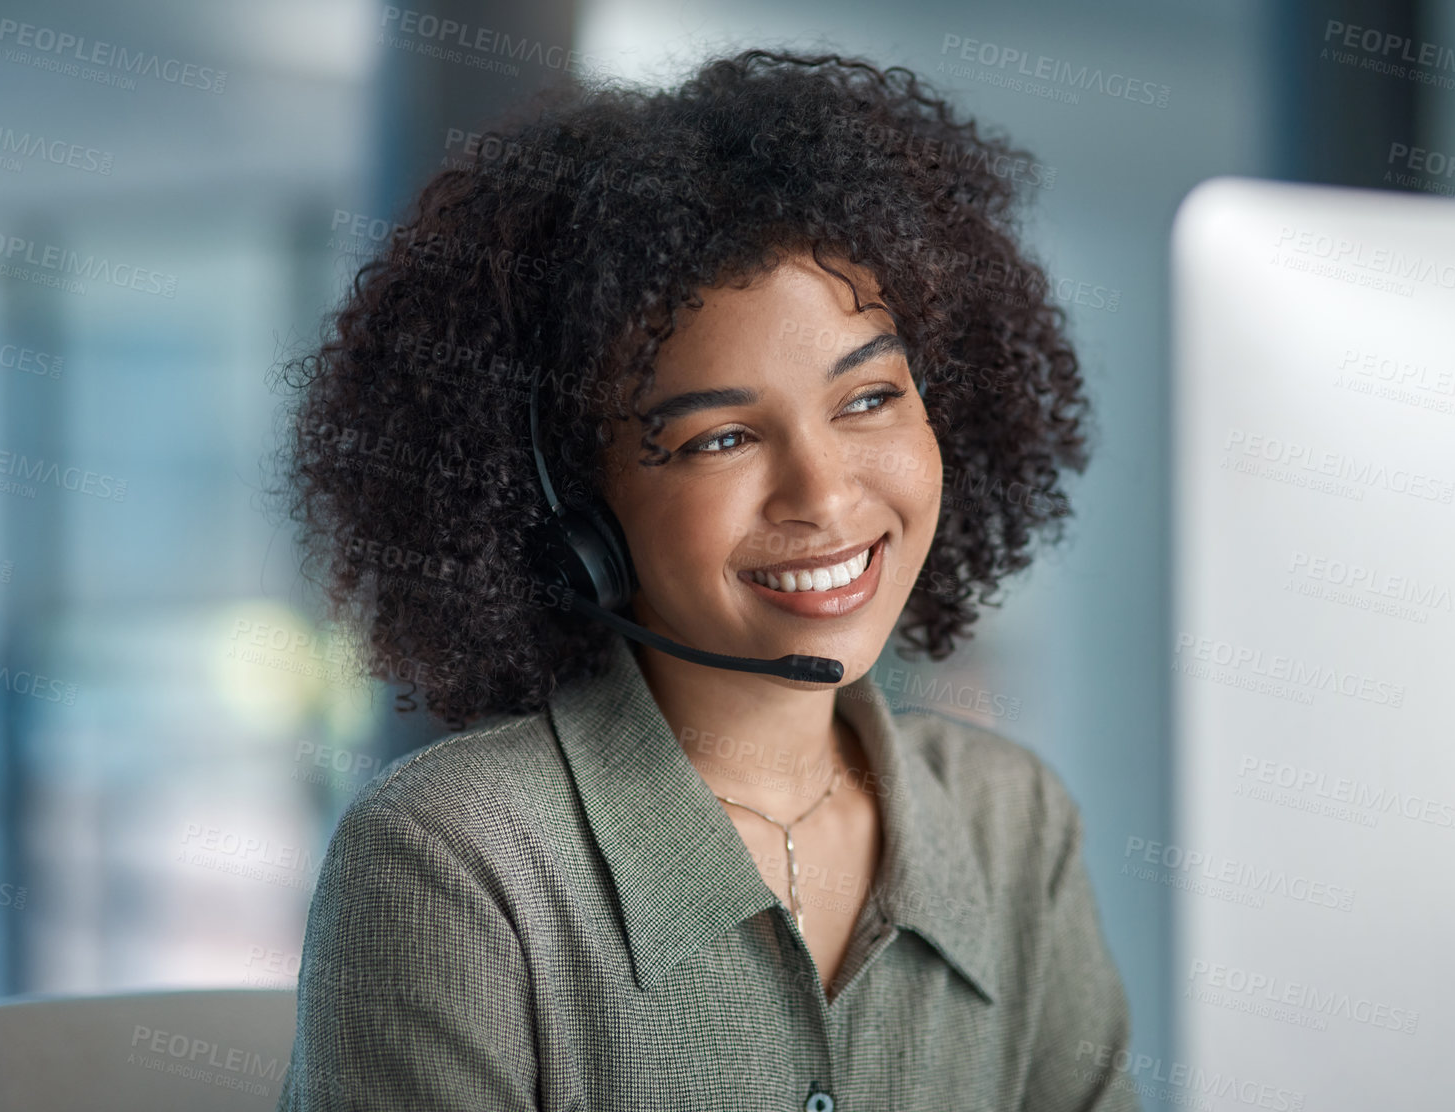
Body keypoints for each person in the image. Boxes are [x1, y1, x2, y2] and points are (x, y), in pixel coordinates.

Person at [274, 47, 1136, 1111]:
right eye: (721, 437)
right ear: (569, 508)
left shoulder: (1011, 821)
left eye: (868, 399)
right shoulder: (454, 861)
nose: (821, 495)